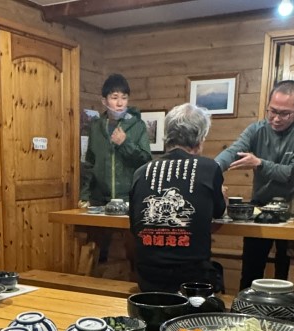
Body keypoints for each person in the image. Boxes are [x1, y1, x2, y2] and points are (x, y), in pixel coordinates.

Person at [215, 80, 294, 289]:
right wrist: (209, 171)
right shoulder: (257, 129)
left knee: (286, 274)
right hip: (260, 207)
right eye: (272, 111)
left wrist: (260, 163)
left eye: (284, 113)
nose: (275, 118)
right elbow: (233, 151)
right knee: (250, 273)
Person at [129, 104, 226, 293]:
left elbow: (134, 227)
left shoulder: (141, 172)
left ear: (167, 136)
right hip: (192, 280)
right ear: (200, 139)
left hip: (148, 278)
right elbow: (219, 212)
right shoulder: (209, 168)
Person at [79, 73, 152, 264]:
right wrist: (84, 195)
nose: (120, 103)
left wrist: (125, 143)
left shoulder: (138, 126)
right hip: (99, 200)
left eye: (124, 97)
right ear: (104, 100)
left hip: (128, 200)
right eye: (114, 97)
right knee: (93, 249)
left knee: (133, 250)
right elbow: (90, 162)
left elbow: (146, 160)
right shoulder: (96, 126)